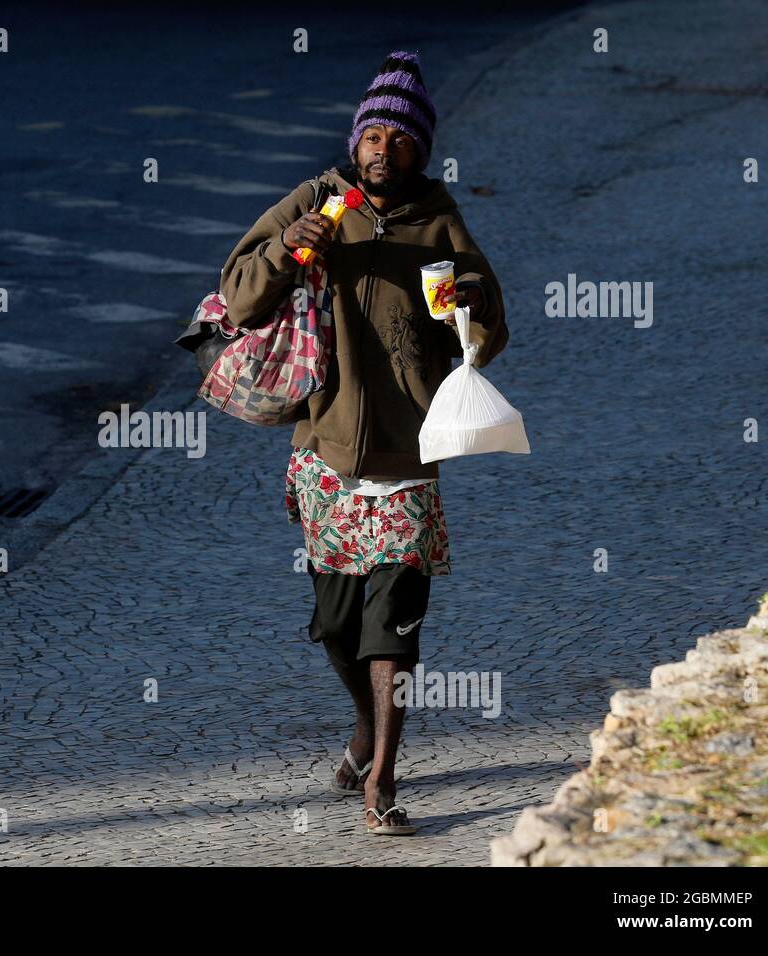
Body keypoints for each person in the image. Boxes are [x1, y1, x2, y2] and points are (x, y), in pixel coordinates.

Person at [217, 51, 509, 836]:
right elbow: (238, 299)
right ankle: (362, 726)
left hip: (411, 461)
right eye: (373, 134)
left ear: (421, 149)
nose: (384, 149)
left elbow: (487, 337)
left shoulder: (440, 222)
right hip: (327, 454)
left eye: (400, 139)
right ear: (358, 140)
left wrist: (470, 306)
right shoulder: (320, 201)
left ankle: (383, 773)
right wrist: (289, 248)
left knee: (397, 628)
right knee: (339, 627)